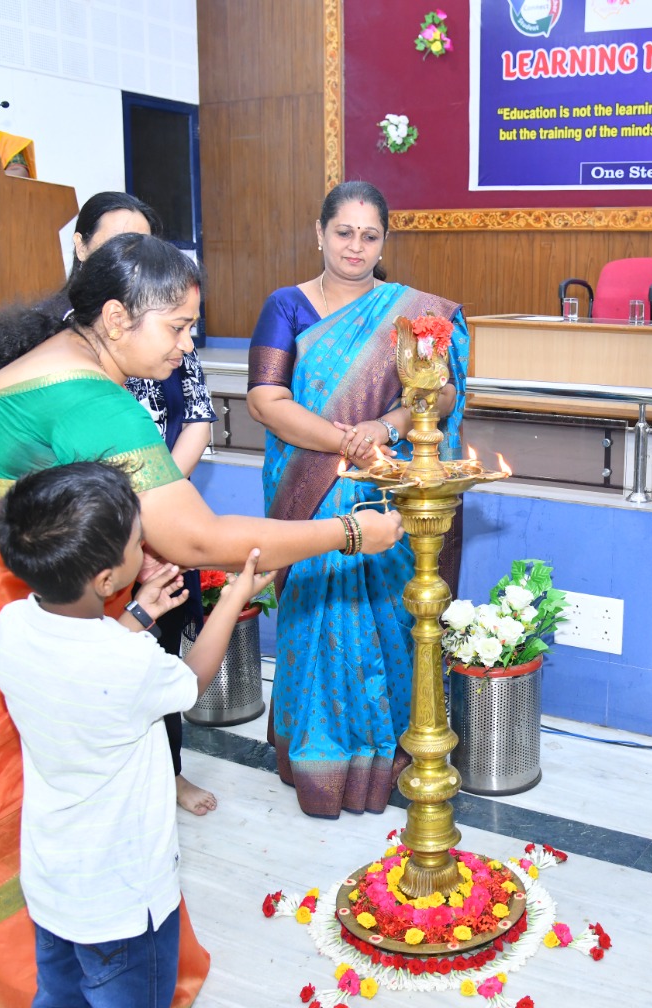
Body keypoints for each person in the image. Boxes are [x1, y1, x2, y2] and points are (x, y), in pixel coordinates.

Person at [0, 232, 402, 1008]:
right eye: (180, 327)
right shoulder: (96, 402)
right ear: (117, 317)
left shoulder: (62, 362)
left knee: (38, 784)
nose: (189, 346)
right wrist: (345, 532)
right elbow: (196, 540)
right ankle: (18, 1005)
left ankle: (42, 1007)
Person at [0, 462, 273, 1008]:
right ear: (105, 577)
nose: (146, 547)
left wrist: (138, 615)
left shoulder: (11, 626)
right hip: (124, 898)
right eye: (138, 541)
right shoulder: (128, 664)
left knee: (59, 1003)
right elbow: (190, 682)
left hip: (53, 881)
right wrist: (234, 599)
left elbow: (86, 664)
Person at [245, 179, 468, 819]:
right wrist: (347, 441)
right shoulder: (286, 306)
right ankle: (323, 760)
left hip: (383, 490)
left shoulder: (411, 315)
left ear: (384, 242)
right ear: (319, 233)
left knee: (390, 620)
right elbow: (265, 400)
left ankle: (389, 758)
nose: (355, 246)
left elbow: (441, 394)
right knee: (319, 617)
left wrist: (385, 429)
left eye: (370, 235)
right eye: (343, 232)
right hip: (309, 489)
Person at [53, 191, 221, 817]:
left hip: (159, 516)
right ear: (81, 248)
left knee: (156, 655)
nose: (132, 255)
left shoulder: (171, 333)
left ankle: (165, 772)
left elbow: (197, 418)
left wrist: (158, 503)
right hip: (91, 530)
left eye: (145, 243)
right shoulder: (63, 344)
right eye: (116, 242)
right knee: (92, 667)